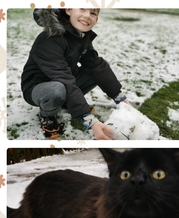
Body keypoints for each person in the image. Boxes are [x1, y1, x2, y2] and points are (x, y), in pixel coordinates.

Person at [21, 8, 128, 140]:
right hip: (38, 87)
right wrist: (89, 119)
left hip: (62, 80)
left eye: (93, 13)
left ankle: (67, 102)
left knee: (97, 70)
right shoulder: (49, 38)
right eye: (82, 8)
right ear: (69, 10)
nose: (87, 16)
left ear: (96, 19)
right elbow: (63, 79)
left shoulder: (79, 36)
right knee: (57, 89)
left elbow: (95, 65)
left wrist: (120, 98)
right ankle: (47, 115)